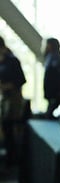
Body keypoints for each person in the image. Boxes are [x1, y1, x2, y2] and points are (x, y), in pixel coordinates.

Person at [0, 36, 27, 167]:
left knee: (12, 127)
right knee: (5, 128)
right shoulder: (2, 62)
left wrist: (7, 86)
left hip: (14, 98)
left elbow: (21, 80)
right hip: (4, 98)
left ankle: (14, 160)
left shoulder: (12, 61)